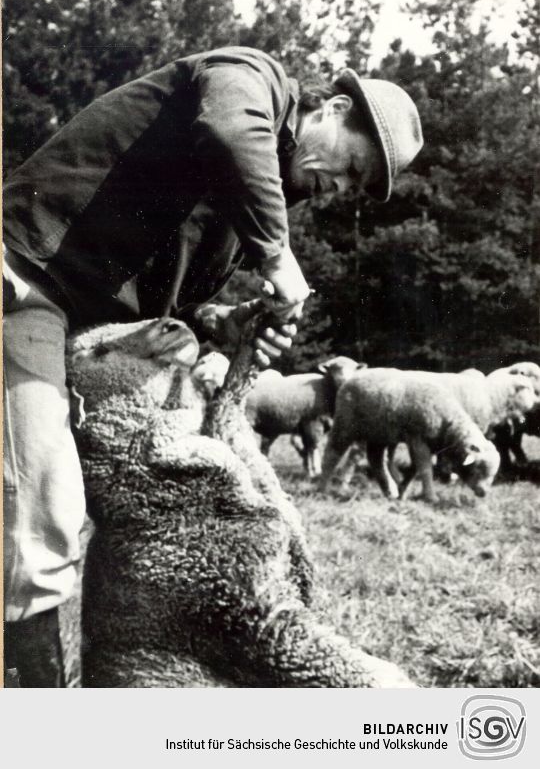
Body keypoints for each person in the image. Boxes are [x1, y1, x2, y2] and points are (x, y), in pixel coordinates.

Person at [3, 46, 423, 686]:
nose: (340, 190)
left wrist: (224, 321)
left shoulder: (240, 202)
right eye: (354, 168)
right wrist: (279, 258)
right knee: (43, 512)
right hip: (27, 276)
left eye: (356, 189)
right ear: (335, 109)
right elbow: (230, 127)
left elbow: (168, 304)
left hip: (83, 318)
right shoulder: (249, 76)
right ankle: (39, 729)